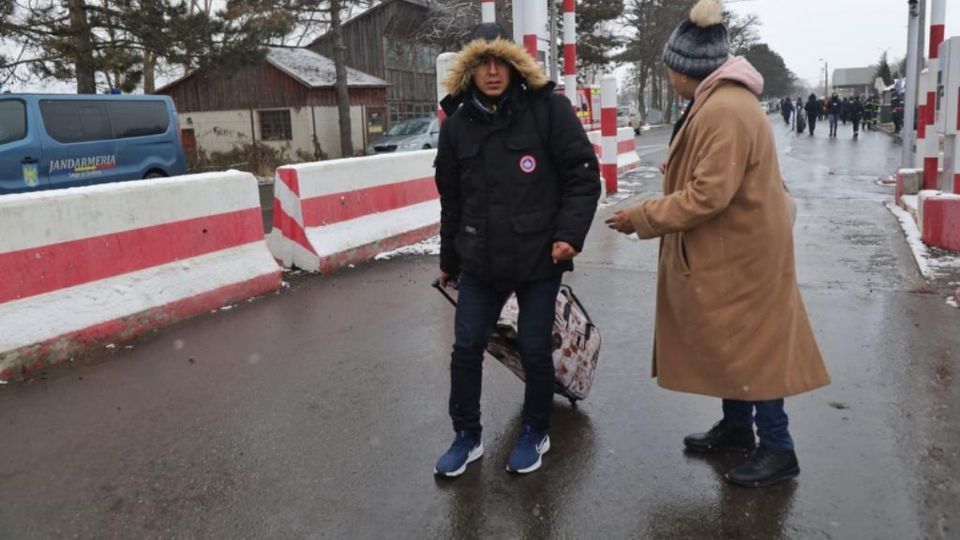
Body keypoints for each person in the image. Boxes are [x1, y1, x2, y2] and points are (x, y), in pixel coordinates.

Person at [606, 0, 830, 488]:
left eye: (671, 70)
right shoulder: (719, 101)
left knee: (757, 349)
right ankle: (736, 429)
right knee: (737, 345)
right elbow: (716, 175)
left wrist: (641, 216)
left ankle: (778, 448)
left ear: (689, 70)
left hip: (742, 252)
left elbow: (709, 195)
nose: (668, 77)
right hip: (739, 246)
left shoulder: (725, 109)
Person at [433, 22, 601, 477]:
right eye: (482, 64)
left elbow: (583, 174)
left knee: (532, 346)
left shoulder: (548, 109)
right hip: (479, 258)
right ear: (469, 70)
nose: (491, 72)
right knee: (466, 347)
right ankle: (466, 436)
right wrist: (449, 260)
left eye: (500, 63)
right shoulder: (456, 125)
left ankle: (535, 429)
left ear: (514, 65)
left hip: (539, 257)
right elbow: (452, 199)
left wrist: (569, 235)